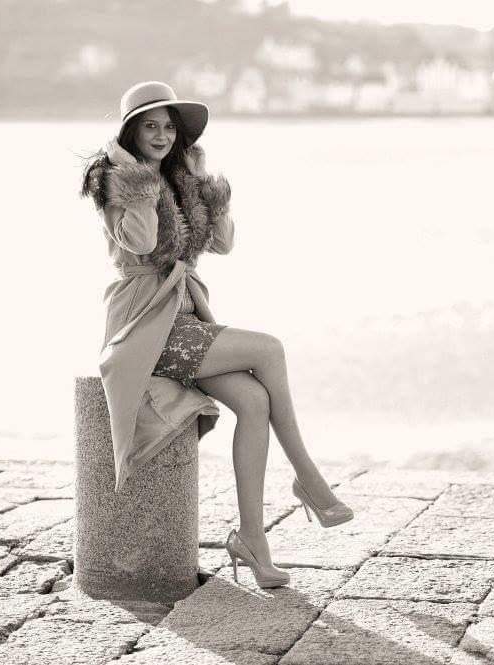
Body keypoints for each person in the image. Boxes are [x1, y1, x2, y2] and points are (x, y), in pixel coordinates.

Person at [80, 81, 353, 589]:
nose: (161, 135)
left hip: (185, 318)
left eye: (169, 127)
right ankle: (307, 475)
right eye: (149, 125)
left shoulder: (178, 181)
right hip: (144, 324)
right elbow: (141, 240)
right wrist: (139, 182)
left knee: (253, 400)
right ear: (129, 132)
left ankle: (252, 539)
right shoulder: (118, 183)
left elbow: (223, 243)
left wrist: (204, 184)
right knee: (269, 348)